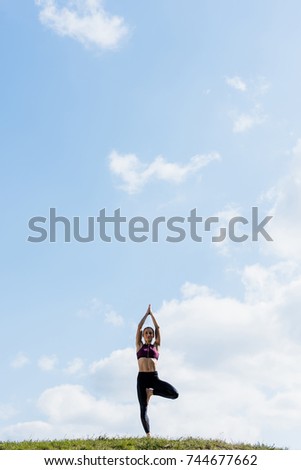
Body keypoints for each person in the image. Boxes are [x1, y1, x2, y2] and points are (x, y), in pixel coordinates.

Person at [136, 304, 179, 437]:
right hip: (142, 379)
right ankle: (148, 435)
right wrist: (146, 314)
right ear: (143, 335)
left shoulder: (157, 346)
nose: (148, 334)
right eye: (146, 333)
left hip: (154, 378)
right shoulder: (139, 345)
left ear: (153, 336)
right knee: (143, 409)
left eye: (151, 333)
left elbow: (158, 327)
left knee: (174, 393)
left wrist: (152, 315)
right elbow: (138, 327)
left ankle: (152, 392)